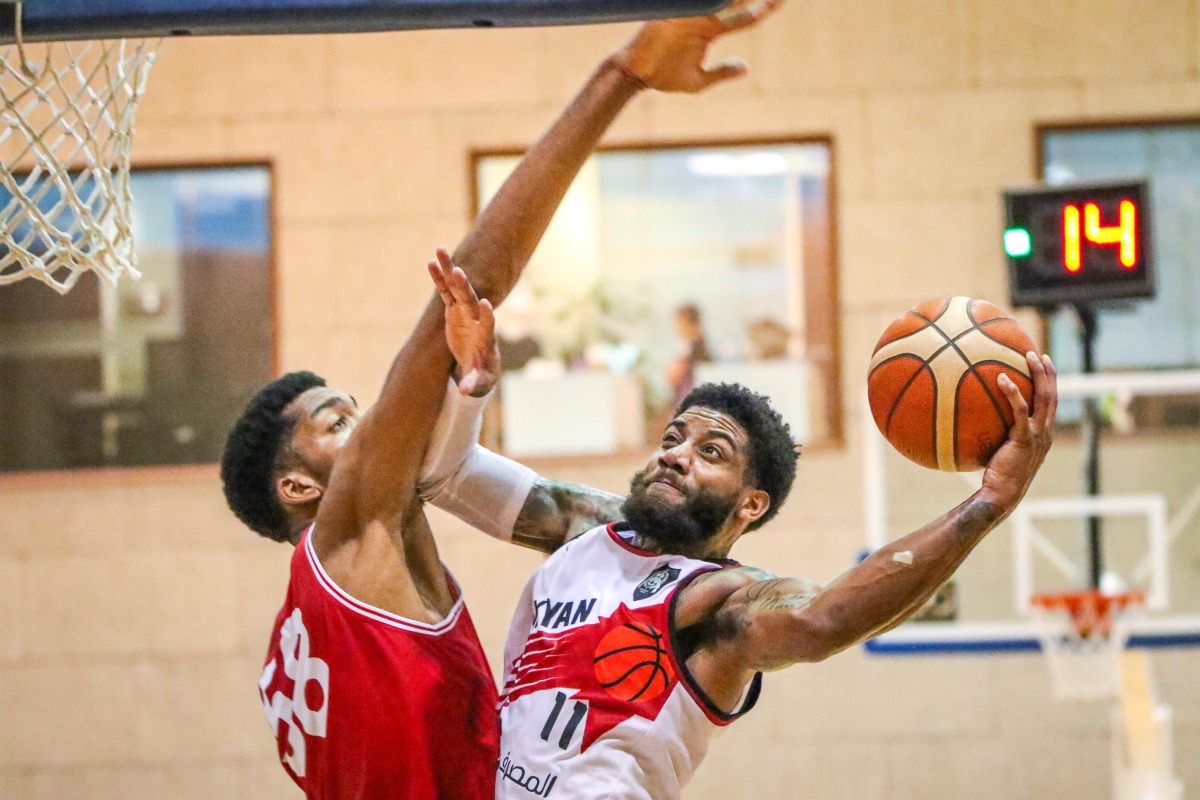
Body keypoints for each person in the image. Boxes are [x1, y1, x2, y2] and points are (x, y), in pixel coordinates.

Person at [216, 4, 780, 799]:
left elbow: (485, 483)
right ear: (302, 488)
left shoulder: (301, 632)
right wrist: (621, 77)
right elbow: (478, 274)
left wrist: (469, 392)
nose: (375, 423)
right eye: (341, 423)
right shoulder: (356, 517)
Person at [420, 260, 1058, 799]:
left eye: (711, 452)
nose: (676, 454)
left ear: (750, 505)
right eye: (673, 438)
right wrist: (471, 387)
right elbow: (446, 475)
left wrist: (989, 503)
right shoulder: (586, 526)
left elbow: (822, 620)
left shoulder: (722, 601)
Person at [665, 302, 713, 403]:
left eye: (679, 322)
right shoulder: (701, 344)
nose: (677, 327)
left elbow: (675, 374)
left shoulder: (692, 346)